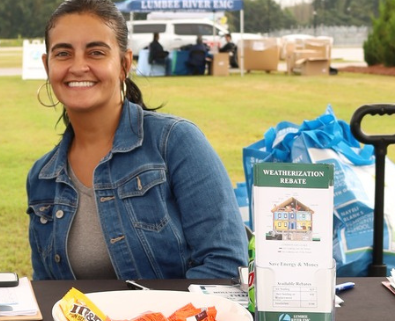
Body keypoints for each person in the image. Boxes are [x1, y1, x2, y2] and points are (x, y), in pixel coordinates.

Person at [27, 0, 247, 281]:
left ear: (124, 64)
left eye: (96, 52)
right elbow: (47, 292)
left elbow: (224, 264)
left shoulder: (176, 143)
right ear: (47, 66)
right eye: (63, 53)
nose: (78, 66)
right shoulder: (42, 177)